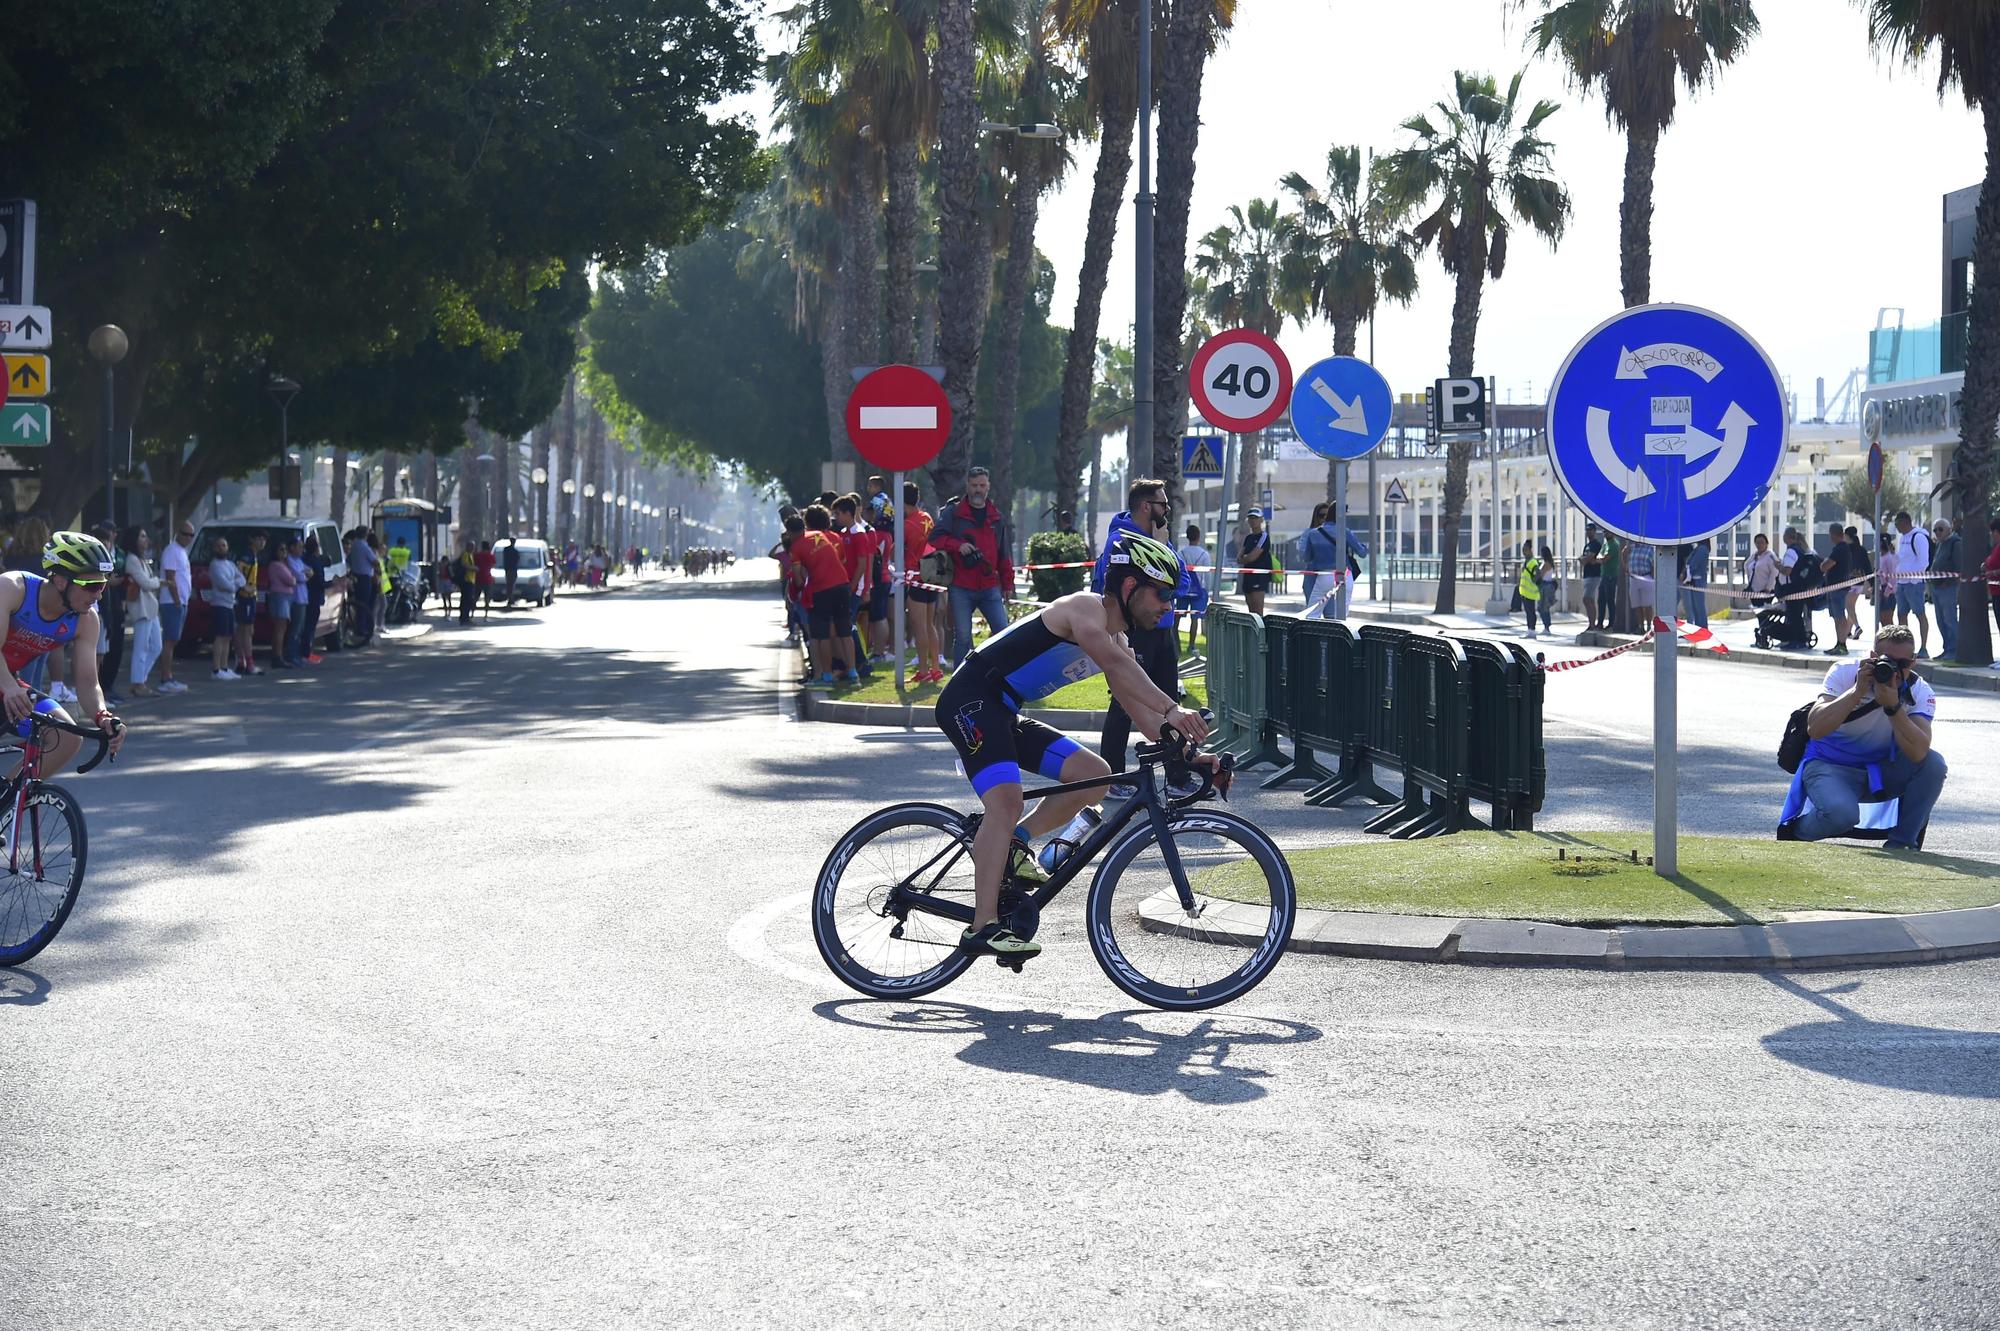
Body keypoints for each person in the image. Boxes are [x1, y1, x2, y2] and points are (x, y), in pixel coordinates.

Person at [934, 533, 1213, 960]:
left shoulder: (1118, 640)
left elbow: (1134, 703)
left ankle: (1014, 844)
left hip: (1003, 709)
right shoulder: (1084, 609)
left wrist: (1192, 756)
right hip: (969, 700)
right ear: (1129, 586)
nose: (1167, 606)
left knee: (1094, 776)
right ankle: (982, 926)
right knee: (1005, 802)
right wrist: (1175, 708)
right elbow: (1119, 668)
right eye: (1163, 593)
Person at [1779, 625, 1945, 850]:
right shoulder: (1845, 672)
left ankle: (1902, 845)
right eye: (1888, 661)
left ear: (1913, 662)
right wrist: (1857, 691)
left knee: (1934, 764)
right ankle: (1796, 834)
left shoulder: (1919, 690)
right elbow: (1815, 728)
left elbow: (1919, 752)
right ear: (1873, 657)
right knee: (1841, 815)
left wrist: (1893, 708)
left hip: (1882, 771)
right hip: (1830, 765)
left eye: (1902, 664)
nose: (1894, 671)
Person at [0, 532, 128, 775]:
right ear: (60, 580)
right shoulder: (12, 588)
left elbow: (88, 683)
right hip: (6, 683)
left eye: (102, 586)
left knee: (67, 739)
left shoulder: (86, 620)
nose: (99, 595)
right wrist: (9, 686)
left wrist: (103, 716)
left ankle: (8, 806)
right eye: (92, 586)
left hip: (7, 685)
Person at [1092, 478, 1182, 781]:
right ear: (1146, 506)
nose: (1167, 509)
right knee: (1124, 700)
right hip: (1134, 629)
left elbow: (1177, 577)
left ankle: (1177, 774)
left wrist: (1162, 543)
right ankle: (1113, 776)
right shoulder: (1120, 539)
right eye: (1163, 504)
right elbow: (1110, 587)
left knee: (1169, 699)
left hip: (1162, 630)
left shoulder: (1159, 536)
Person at [934, 466, 1014, 665]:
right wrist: (957, 545)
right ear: (967, 486)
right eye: (974, 485)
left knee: (1003, 632)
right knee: (962, 636)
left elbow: (1004, 553)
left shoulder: (997, 517)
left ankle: (998, 673)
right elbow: (935, 538)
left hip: (989, 586)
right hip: (961, 585)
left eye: (982, 485)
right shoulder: (953, 513)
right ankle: (960, 680)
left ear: (988, 487)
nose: (978, 489)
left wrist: (1008, 584)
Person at [792, 504, 856, 685]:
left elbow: (799, 577)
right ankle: (852, 673)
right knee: (845, 631)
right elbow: (841, 561)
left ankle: (826, 675)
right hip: (842, 585)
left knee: (822, 635)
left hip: (820, 589)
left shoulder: (803, 542)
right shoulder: (836, 537)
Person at [900, 481, 943, 683]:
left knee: (920, 627)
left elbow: (898, 550)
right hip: (930, 573)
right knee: (930, 624)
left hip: (916, 576)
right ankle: (935, 668)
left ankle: (924, 670)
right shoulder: (926, 517)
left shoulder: (906, 525)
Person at [123, 526, 163, 697]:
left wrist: (153, 581)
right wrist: (158, 581)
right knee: (141, 647)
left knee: (156, 646)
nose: (145, 540)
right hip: (141, 609)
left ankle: (140, 679)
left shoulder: (142, 560)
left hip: (151, 609)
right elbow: (147, 583)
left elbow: (148, 582)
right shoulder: (131, 559)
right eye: (142, 536)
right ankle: (138, 683)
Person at [91, 523, 128, 706]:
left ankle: (100, 694)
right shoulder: (92, 561)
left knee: (101, 655)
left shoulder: (110, 558)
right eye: (103, 540)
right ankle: (94, 696)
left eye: (108, 539)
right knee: (94, 656)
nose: (107, 543)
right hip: (94, 613)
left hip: (106, 613)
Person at [156, 519, 193, 694]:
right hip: (172, 602)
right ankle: (166, 678)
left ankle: (169, 676)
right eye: (185, 534)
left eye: (191, 535)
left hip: (181, 602)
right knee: (169, 641)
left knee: (173, 640)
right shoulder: (171, 551)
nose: (188, 538)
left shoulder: (182, 551)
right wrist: (177, 599)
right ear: (178, 532)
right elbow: (170, 578)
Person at [203, 537, 244, 680]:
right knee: (220, 637)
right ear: (215, 548)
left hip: (230, 604)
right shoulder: (214, 565)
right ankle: (216, 669)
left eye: (224, 545)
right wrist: (234, 584)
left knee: (228, 637)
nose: (222, 548)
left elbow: (242, 579)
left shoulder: (231, 564)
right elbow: (225, 585)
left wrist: (234, 583)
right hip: (219, 605)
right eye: (219, 545)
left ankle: (224, 667)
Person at [1893, 511, 1933, 657]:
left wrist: (1913, 578)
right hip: (1902, 583)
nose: (1896, 527)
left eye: (1897, 524)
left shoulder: (1919, 537)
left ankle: (1923, 648)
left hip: (1914, 583)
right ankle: (1905, 647)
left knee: (1920, 614)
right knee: (1902, 615)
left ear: (1905, 522)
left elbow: (1924, 561)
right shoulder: (1903, 538)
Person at [1818, 523, 1855, 655]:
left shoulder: (1839, 549)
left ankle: (1842, 644)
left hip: (1838, 588)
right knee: (1837, 616)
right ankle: (1839, 643)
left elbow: (1825, 566)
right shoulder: (1843, 548)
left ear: (1833, 534)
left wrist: (1823, 564)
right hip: (1838, 587)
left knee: (1839, 617)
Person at [1298, 502, 1342, 611]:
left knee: (1331, 615)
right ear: (1316, 517)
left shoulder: (1337, 533)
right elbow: (1304, 555)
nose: (1325, 519)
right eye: (1322, 515)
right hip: (1313, 576)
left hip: (1331, 576)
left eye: (1328, 516)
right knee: (1312, 612)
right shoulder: (1309, 534)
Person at [1175, 522, 1210, 653]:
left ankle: (1176, 643)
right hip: (1199, 590)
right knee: (1195, 618)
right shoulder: (1204, 554)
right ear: (1198, 537)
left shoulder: (1181, 553)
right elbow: (1207, 575)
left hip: (1184, 589)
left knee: (1178, 615)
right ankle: (1191, 645)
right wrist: (1208, 589)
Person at [264, 539, 300, 668]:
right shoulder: (276, 565)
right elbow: (291, 580)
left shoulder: (283, 564)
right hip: (280, 597)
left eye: (285, 549)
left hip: (285, 597)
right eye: (281, 550)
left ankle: (278, 655)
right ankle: (277, 656)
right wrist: (294, 578)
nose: (285, 552)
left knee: (283, 627)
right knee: (280, 628)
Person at [233, 531, 264, 676]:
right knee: (245, 630)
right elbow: (237, 572)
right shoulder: (247, 556)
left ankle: (242, 660)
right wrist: (244, 587)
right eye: (259, 539)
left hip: (250, 597)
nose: (262, 542)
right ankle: (247, 662)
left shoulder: (254, 555)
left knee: (245, 629)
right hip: (245, 597)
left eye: (264, 540)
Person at [1929, 518, 1960, 661]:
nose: (1937, 532)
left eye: (1940, 529)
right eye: (1935, 530)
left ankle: (1954, 650)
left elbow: (1958, 567)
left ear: (1949, 529)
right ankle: (1947, 649)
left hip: (1948, 588)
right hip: (1936, 587)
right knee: (1940, 620)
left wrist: (1948, 582)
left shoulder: (1955, 543)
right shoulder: (1940, 544)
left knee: (1950, 620)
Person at [1236, 510, 1272, 616]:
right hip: (1248, 577)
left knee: (1258, 609)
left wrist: (1246, 558)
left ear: (1261, 520)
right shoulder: (1248, 538)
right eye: (1251, 518)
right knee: (1251, 610)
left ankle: (1261, 631)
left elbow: (1252, 556)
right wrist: (1245, 558)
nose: (1253, 521)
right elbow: (1239, 557)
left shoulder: (1264, 536)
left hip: (1259, 577)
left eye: (1255, 518)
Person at [301, 534, 329, 664]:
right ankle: (307, 653)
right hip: (313, 596)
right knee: (310, 626)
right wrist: (332, 583)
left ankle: (305, 652)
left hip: (305, 596)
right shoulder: (315, 561)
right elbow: (319, 581)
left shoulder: (303, 559)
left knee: (305, 625)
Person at [1517, 542, 1547, 638]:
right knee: (1528, 611)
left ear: (1530, 550)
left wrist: (1534, 581)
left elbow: (1538, 574)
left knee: (1530, 612)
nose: (1524, 552)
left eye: (1525, 550)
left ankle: (1532, 631)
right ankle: (1530, 630)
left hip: (1531, 591)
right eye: (1523, 550)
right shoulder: (1527, 561)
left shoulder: (1532, 562)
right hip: (1526, 592)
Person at [1579, 524, 1605, 630]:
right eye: (1587, 530)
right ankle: (1591, 623)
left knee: (1587, 598)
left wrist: (1584, 559)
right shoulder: (1587, 545)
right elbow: (1583, 559)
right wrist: (1584, 559)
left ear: (1594, 531)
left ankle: (1593, 624)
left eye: (1590, 530)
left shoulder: (1596, 545)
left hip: (1594, 575)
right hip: (1587, 575)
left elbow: (1588, 559)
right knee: (1589, 600)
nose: (1588, 532)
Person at [1681, 537, 1710, 630]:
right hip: (1694, 581)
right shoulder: (1699, 548)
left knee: (1699, 606)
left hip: (1698, 580)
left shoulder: (1702, 549)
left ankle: (1702, 627)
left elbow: (1693, 564)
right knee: (1695, 606)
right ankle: (1698, 627)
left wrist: (1686, 573)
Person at [1745, 532, 1780, 607]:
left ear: (1766, 544)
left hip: (1765, 591)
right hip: (1754, 590)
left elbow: (1774, 573)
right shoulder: (1754, 555)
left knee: (1764, 612)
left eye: (1762, 542)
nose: (1759, 545)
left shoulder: (1770, 556)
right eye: (1757, 543)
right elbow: (1746, 565)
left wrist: (1768, 588)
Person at [1872, 531, 1897, 632]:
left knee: (1887, 619)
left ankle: (1894, 641)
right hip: (1880, 589)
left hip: (1888, 591)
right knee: (1882, 619)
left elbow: (1892, 577)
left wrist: (1887, 592)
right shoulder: (1879, 557)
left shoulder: (1889, 558)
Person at [500, 537, 521, 607]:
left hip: (507, 569)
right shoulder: (515, 551)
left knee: (509, 584)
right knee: (511, 585)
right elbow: (517, 560)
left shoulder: (506, 550)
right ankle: (510, 599)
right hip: (512, 569)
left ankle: (510, 598)